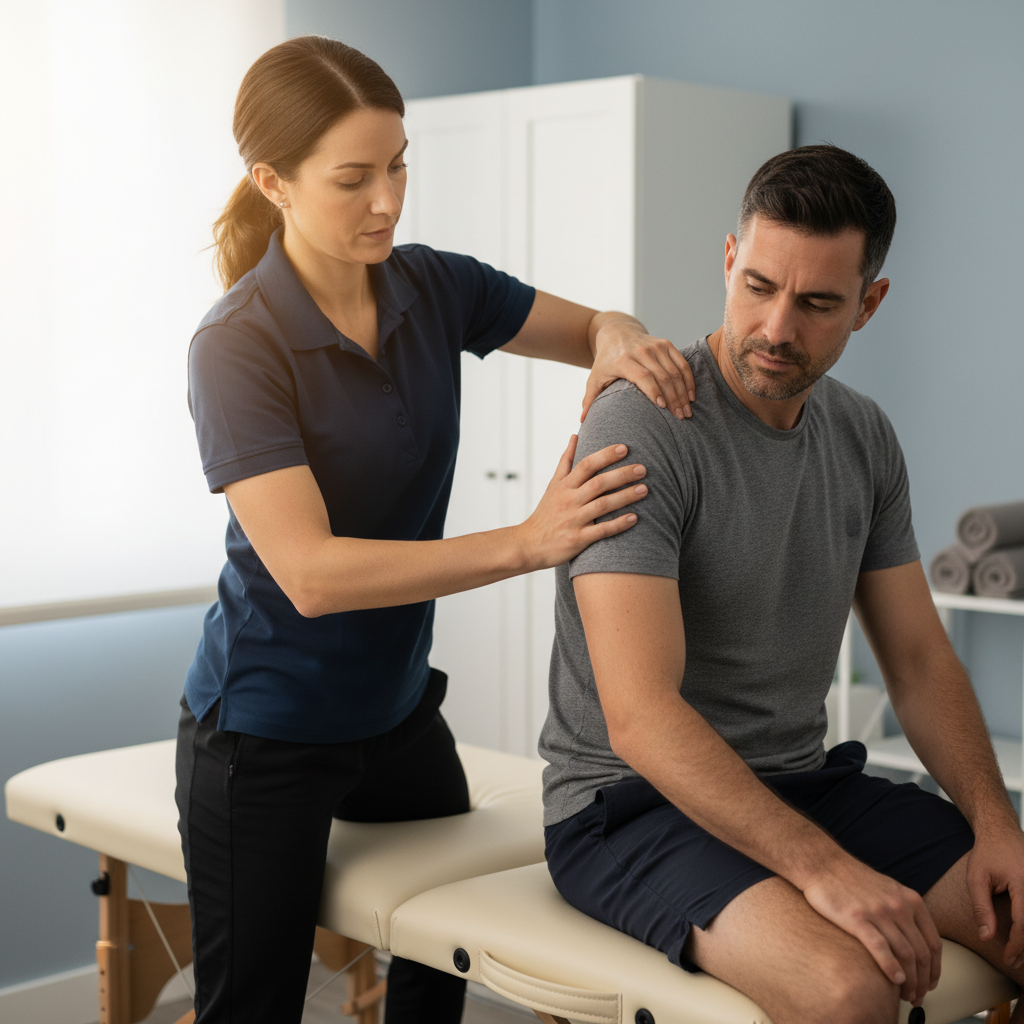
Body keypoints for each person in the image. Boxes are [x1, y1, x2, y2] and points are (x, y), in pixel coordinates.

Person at [176, 35, 698, 1024]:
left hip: (397, 714)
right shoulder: (235, 345)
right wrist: (529, 539)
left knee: (439, 971)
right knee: (251, 1009)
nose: (387, 200)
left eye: (399, 165)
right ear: (272, 182)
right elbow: (313, 575)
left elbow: (591, 327)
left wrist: (619, 330)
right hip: (266, 729)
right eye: (353, 178)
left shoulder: (431, 286)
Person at [539, 144, 1024, 1024]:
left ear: (869, 305)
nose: (775, 328)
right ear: (729, 259)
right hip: (631, 806)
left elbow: (916, 659)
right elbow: (639, 716)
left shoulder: (863, 437)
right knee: (849, 989)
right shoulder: (644, 426)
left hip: (800, 783)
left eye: (817, 303)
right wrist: (827, 872)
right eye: (758, 285)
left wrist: (999, 826)